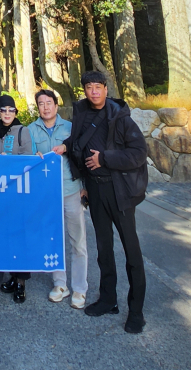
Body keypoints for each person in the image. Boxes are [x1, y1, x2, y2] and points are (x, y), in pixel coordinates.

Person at [54, 71, 148, 334]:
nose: (93, 92)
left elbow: (139, 153)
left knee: (131, 251)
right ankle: (108, 300)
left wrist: (104, 159)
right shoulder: (82, 113)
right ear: (84, 90)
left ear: (106, 89)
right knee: (104, 248)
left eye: (98, 87)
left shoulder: (120, 117)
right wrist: (65, 148)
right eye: (89, 87)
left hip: (119, 191)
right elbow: (78, 143)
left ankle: (136, 311)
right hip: (94, 191)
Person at [28, 89, 88, 309]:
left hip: (71, 189)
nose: (46, 107)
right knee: (53, 238)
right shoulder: (31, 130)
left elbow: (81, 157)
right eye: (41, 103)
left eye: (49, 102)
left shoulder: (71, 128)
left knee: (77, 241)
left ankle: (80, 288)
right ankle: (60, 284)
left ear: (56, 104)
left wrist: (84, 187)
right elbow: (27, 157)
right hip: (46, 193)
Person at [0, 94, 32, 303]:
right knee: (4, 234)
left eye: (11, 110)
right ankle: (10, 277)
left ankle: (21, 282)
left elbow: (27, 158)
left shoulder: (23, 131)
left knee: (19, 236)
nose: (7, 114)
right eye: (4, 110)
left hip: (18, 192)